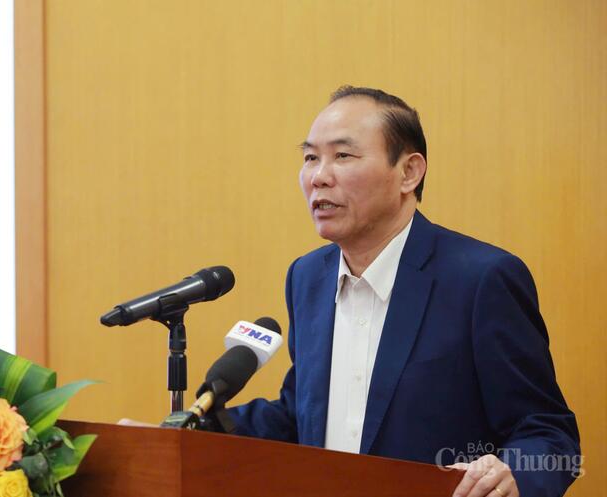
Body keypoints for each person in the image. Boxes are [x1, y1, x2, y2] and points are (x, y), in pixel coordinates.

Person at [226, 86, 580, 497]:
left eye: (343, 156)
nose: (318, 176)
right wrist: (196, 428)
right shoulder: (307, 278)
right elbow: (300, 415)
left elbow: (550, 436)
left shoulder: (481, 280)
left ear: (409, 173)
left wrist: (515, 473)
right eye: (310, 158)